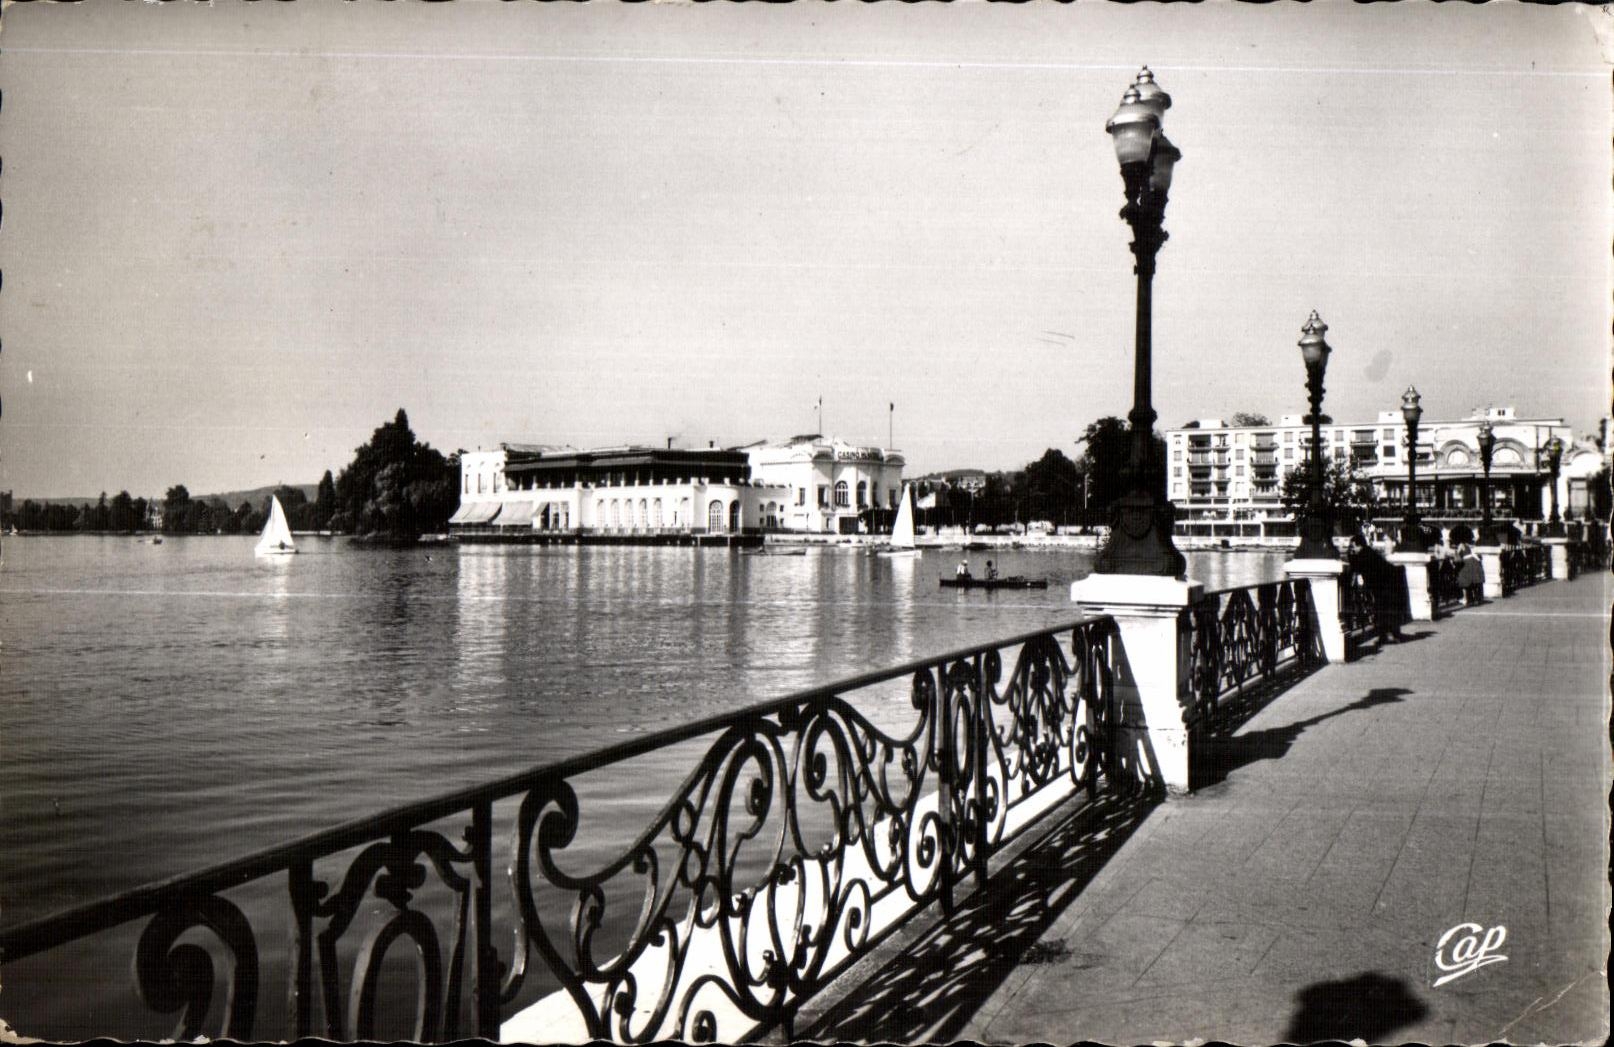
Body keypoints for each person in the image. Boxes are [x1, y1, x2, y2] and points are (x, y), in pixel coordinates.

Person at [1347, 533, 1407, 644]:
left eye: (1354, 546)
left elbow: (1356, 567)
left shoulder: (1364, 555)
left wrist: (1349, 556)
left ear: (1359, 545)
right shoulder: (1368, 552)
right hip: (1388, 583)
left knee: (1383, 610)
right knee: (1385, 610)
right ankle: (1388, 635)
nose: (1353, 549)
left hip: (1385, 585)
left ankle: (1388, 636)